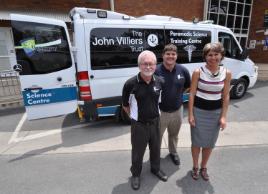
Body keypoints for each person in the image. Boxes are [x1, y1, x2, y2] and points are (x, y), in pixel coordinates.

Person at [122, 50, 168, 190]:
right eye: (145, 64)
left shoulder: (160, 81)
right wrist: (135, 118)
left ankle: (155, 169)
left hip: (155, 123)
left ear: (155, 65)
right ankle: (135, 174)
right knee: (138, 152)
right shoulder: (130, 84)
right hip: (139, 125)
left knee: (156, 149)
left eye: (151, 64)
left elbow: (158, 101)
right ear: (139, 65)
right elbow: (125, 105)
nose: (148, 67)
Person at [188, 42, 231, 181]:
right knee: (196, 142)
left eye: (216, 54)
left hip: (215, 114)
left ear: (221, 55)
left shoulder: (227, 73)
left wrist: (223, 116)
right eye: (210, 55)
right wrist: (190, 115)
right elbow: (192, 94)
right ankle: (195, 166)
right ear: (205, 57)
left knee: (210, 143)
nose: (213, 57)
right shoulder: (198, 72)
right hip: (198, 113)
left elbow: (225, 96)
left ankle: (203, 167)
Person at [155, 44, 191, 165]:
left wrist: (177, 96)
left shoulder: (183, 70)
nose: (170, 56)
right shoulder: (156, 71)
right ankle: (155, 156)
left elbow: (187, 86)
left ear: (176, 56)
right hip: (160, 112)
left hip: (177, 110)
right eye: (168, 54)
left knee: (174, 134)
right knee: (157, 136)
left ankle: (173, 152)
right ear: (163, 56)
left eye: (173, 54)